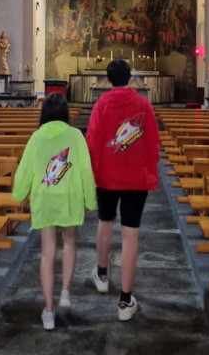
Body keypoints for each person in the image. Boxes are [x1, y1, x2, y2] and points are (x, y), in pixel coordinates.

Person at [13, 93, 97, 331]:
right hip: (69, 197)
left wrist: (19, 194)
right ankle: (66, 292)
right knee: (70, 243)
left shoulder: (37, 137)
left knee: (47, 253)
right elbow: (85, 170)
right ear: (66, 113)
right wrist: (90, 200)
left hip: (45, 198)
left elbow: (25, 170)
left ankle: (48, 311)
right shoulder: (75, 135)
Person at [85, 59, 160, 321]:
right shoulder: (143, 104)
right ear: (129, 78)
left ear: (108, 79)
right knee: (130, 233)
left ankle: (102, 274)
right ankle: (125, 300)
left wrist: (92, 173)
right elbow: (153, 141)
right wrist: (148, 167)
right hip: (136, 177)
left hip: (107, 175)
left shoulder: (102, 104)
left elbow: (92, 141)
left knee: (105, 222)